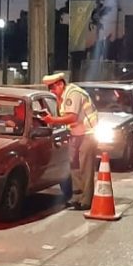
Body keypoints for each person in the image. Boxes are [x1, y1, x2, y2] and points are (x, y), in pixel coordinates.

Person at [41, 72, 99, 210]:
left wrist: (52, 120)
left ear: (61, 84)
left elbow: (72, 117)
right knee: (74, 165)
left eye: (53, 87)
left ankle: (86, 200)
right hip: (76, 134)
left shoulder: (73, 94)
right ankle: (77, 196)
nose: (51, 91)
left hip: (87, 133)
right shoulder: (62, 96)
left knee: (86, 167)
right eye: (49, 88)